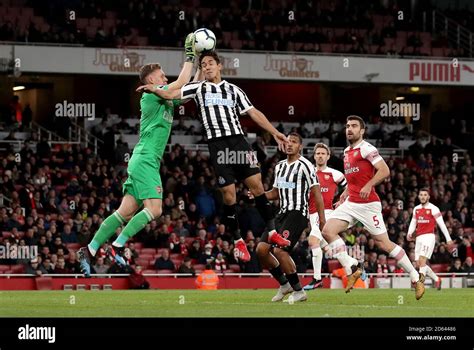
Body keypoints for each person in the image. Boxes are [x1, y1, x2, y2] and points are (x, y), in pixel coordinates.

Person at [150, 50, 290, 262]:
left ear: (219, 66)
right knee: (229, 195)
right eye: (203, 64)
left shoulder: (234, 90)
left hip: (239, 142)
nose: (206, 67)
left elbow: (253, 112)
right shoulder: (197, 87)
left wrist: (274, 131)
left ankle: (272, 232)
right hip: (218, 145)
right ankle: (238, 241)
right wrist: (154, 89)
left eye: (209, 63)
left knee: (258, 186)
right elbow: (170, 94)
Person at [78, 33, 198, 277]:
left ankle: (89, 249)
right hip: (145, 160)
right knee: (154, 210)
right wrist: (190, 53)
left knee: (124, 213)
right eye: (162, 75)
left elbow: (190, 90)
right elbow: (182, 81)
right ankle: (118, 245)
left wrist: (203, 66)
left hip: (142, 159)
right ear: (152, 79)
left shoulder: (164, 98)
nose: (166, 77)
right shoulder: (151, 94)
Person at [321, 115, 425, 300]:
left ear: (362, 131)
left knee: (383, 244)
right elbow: (353, 180)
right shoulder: (346, 151)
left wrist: (369, 185)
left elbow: (384, 170)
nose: (349, 129)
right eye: (347, 126)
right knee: (327, 230)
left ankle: (415, 277)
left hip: (369, 205)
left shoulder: (367, 148)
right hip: (351, 202)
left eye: (354, 126)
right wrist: (344, 194)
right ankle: (353, 266)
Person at [254, 133, 326, 302]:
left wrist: (322, 220)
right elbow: (275, 193)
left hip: (297, 213)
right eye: (287, 141)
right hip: (281, 213)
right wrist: (259, 196)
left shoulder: (306, 166)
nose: (289, 144)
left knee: (279, 250)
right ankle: (284, 284)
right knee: (261, 250)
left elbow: (317, 194)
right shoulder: (279, 166)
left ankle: (299, 291)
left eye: (294, 142)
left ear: (300, 146)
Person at [304, 142, 347, 290]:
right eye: (318, 153)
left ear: (328, 156)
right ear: (314, 156)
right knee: (330, 248)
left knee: (313, 240)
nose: (320, 156)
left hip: (327, 213)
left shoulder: (336, 174)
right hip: (312, 215)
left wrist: (342, 201)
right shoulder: (308, 173)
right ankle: (354, 265)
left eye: (323, 153)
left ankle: (317, 279)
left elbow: (350, 188)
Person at [407, 188, 454, 290]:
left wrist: (448, 238)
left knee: (422, 260)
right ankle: (437, 279)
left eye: (425, 195)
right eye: (421, 195)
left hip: (429, 237)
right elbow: (413, 222)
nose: (423, 197)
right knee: (420, 263)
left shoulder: (434, 208)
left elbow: (442, 224)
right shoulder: (416, 209)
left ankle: (419, 284)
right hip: (418, 238)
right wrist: (409, 233)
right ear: (418, 196)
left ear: (428, 197)